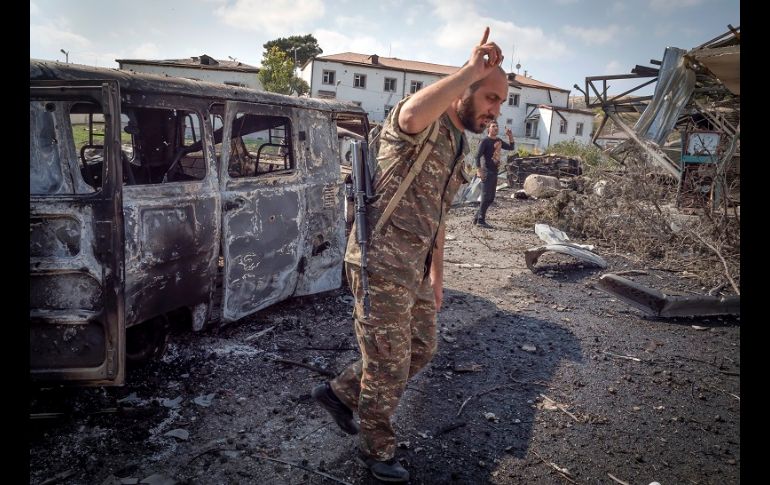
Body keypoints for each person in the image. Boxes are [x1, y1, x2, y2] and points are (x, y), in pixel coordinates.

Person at [311, 27, 508, 483]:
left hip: (413, 269)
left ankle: (340, 393)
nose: (495, 109)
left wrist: (438, 279)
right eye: (491, 98)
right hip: (378, 260)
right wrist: (470, 70)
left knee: (421, 347)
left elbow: (437, 219)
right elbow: (413, 112)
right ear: (466, 89)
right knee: (388, 361)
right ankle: (376, 452)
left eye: (500, 101)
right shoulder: (421, 124)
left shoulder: (460, 144)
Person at [472, 120, 514, 228]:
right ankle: (481, 220)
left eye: (497, 126)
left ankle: (477, 217)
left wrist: (510, 136)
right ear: (488, 129)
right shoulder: (485, 141)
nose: (496, 128)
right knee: (485, 196)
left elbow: (511, 147)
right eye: (493, 126)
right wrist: (479, 170)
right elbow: (477, 156)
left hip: (495, 171)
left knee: (491, 198)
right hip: (486, 171)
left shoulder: (499, 141)